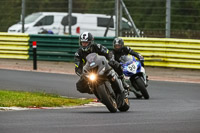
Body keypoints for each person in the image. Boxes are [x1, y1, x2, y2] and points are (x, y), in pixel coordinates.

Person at [74, 32, 127, 97]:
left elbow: (108, 53)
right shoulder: (78, 53)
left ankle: (122, 81)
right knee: (79, 86)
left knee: (116, 64)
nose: (84, 44)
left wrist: (111, 59)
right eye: (83, 43)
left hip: (102, 65)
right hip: (90, 71)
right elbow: (77, 67)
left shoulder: (97, 46)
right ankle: (96, 91)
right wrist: (82, 74)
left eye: (86, 43)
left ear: (91, 42)